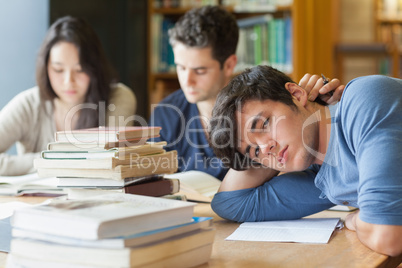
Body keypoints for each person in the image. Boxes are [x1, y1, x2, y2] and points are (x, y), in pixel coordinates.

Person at [208, 65, 402, 256]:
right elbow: (229, 203)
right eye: (255, 150)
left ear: (297, 94)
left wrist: (355, 221)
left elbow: (389, 237)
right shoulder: (321, 180)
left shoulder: (364, 98)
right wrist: (266, 157)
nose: (266, 148)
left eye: (264, 124)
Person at [149, 5, 344, 181]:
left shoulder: (264, 102)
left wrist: (317, 110)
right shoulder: (166, 114)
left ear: (229, 64)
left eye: (200, 70)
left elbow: (294, 166)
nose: (187, 80)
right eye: (181, 68)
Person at [0, 16, 137, 176]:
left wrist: (48, 162)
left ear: (95, 69)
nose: (68, 82)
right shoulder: (28, 104)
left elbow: (110, 158)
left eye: (80, 70)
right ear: (45, 68)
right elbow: (88, 160)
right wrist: (50, 159)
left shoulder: (119, 97)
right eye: (58, 70)